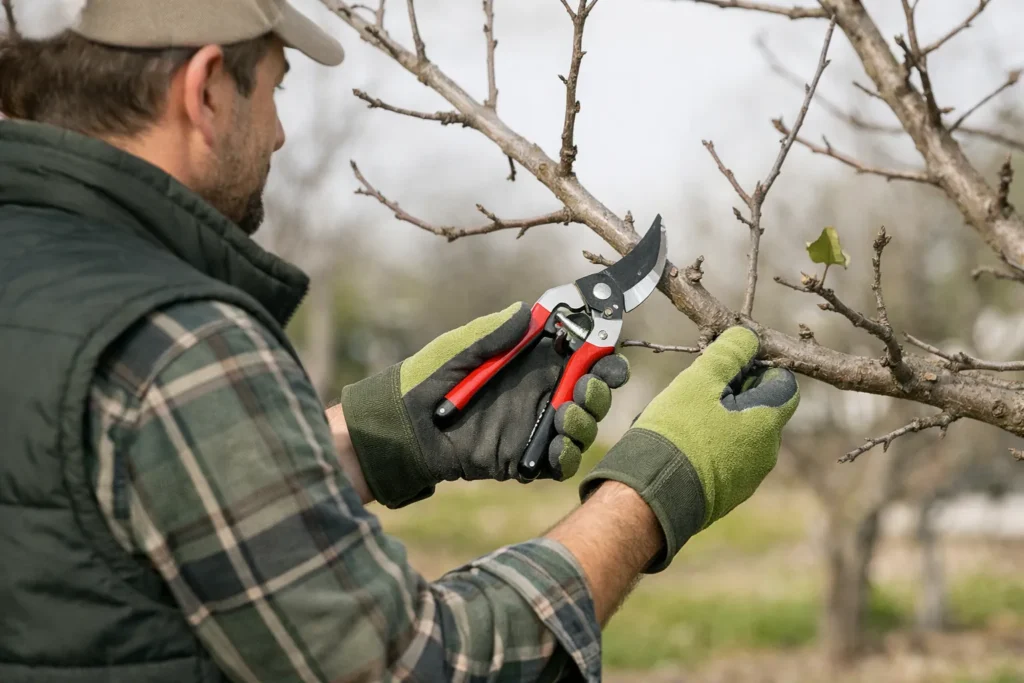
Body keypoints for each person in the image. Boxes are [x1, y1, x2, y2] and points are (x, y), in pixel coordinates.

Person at [0, 1, 801, 681]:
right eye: (274, 91)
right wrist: (652, 493)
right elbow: (416, 664)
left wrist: (388, 433)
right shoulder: (179, 341)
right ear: (207, 89)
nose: (279, 135)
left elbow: (115, 506)